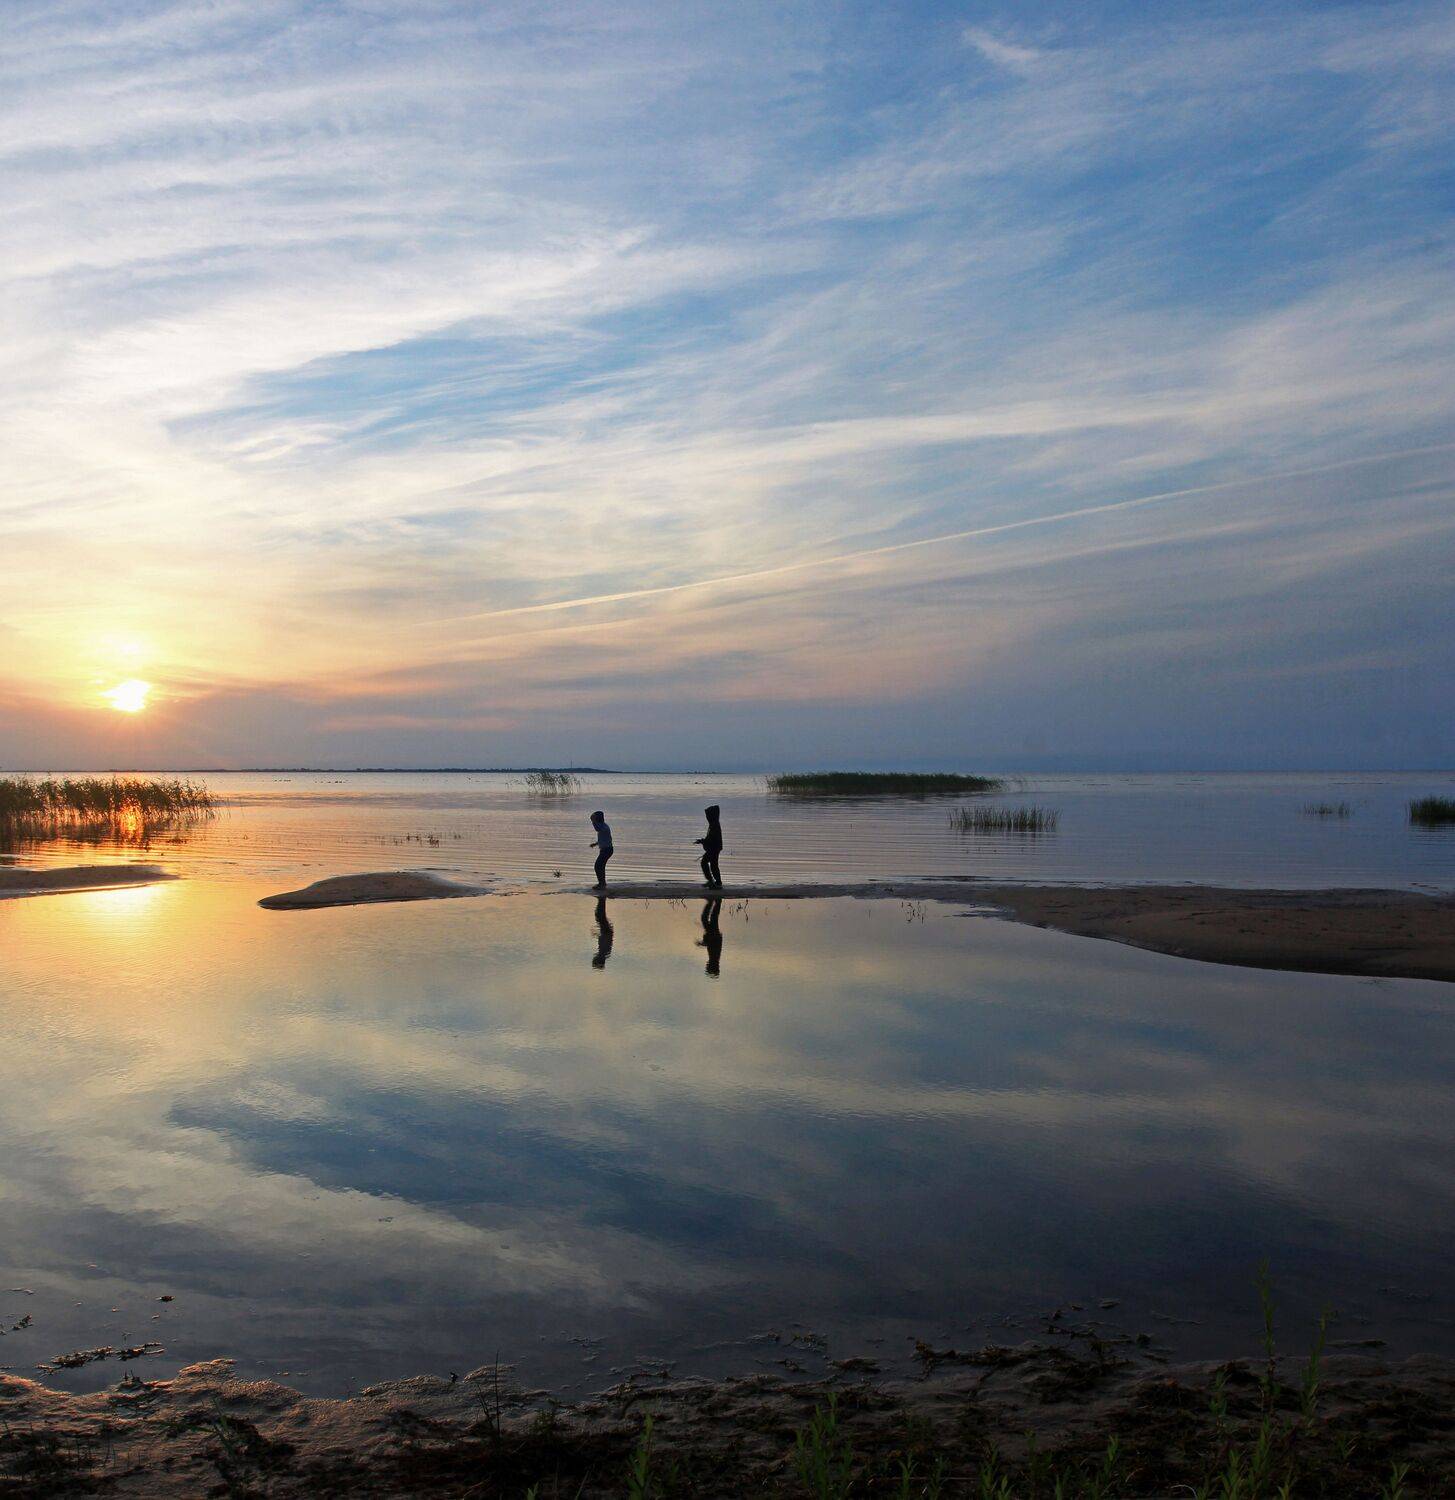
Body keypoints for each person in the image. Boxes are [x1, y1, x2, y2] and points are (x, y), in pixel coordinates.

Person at [694, 804, 723, 888]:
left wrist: (703, 841)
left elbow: (712, 839)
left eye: (708, 815)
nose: (707, 817)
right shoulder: (713, 824)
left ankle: (716, 882)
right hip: (714, 848)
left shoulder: (714, 825)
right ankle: (714, 881)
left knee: (710, 864)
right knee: (711, 864)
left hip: (714, 849)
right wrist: (702, 841)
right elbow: (710, 838)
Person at [698, 897, 723, 977]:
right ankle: (714, 901)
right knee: (707, 918)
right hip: (713, 934)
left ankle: (715, 902)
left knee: (712, 917)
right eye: (708, 967)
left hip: (714, 935)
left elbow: (711, 944)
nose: (706, 965)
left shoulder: (714, 959)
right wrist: (704, 943)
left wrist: (704, 942)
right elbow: (712, 944)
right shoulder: (714, 958)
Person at [589, 809, 613, 889]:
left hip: (607, 850)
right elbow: (603, 839)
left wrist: (592, 820)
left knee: (598, 866)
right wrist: (595, 844)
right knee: (600, 866)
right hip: (606, 850)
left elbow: (597, 829)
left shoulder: (603, 827)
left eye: (596, 818)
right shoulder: (603, 826)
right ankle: (602, 883)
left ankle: (601, 884)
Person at [592, 895, 614, 969]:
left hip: (606, 932)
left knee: (599, 915)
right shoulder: (603, 953)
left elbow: (605, 941)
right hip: (606, 932)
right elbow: (606, 941)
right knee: (599, 915)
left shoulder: (604, 953)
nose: (594, 957)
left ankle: (601, 899)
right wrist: (601, 934)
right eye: (595, 959)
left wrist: (598, 935)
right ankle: (601, 899)